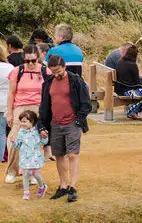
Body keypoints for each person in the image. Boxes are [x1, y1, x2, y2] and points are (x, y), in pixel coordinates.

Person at [38, 54, 90, 203]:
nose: (56, 74)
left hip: (72, 122)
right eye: (53, 72)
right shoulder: (48, 82)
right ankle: (63, 185)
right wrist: (42, 125)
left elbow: (86, 103)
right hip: (55, 123)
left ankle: (73, 187)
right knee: (59, 155)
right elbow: (44, 106)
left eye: (59, 71)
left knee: (73, 155)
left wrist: (78, 120)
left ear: (64, 67)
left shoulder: (76, 80)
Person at [4, 44, 49, 183]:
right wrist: (9, 113)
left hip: (38, 108)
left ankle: (33, 173)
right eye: (27, 61)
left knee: (36, 141)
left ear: (38, 58)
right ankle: (12, 170)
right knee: (15, 138)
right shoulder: (17, 71)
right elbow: (11, 93)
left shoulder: (45, 71)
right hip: (20, 107)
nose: (30, 64)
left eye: (33, 61)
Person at [10, 109, 49, 200]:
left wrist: (45, 137)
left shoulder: (37, 131)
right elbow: (18, 145)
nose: (22, 124)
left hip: (35, 157)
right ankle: (26, 192)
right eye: (21, 121)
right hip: (25, 157)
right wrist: (13, 142)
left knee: (36, 174)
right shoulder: (21, 132)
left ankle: (42, 186)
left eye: (24, 121)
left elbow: (43, 142)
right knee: (26, 174)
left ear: (32, 121)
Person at [114, 43, 142, 119]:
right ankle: (141, 113)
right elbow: (137, 83)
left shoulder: (120, 62)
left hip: (119, 89)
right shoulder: (132, 65)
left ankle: (135, 112)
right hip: (127, 91)